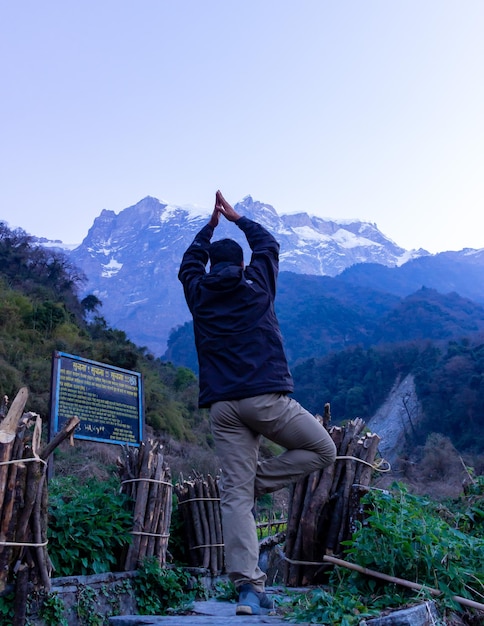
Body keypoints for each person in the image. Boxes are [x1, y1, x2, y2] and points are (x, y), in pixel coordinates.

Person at [178, 190, 336, 616]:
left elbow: (187, 267)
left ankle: (248, 589)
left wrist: (208, 228)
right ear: (243, 264)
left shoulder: (199, 294)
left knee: (235, 495)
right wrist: (236, 218)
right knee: (324, 449)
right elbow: (269, 245)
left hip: (223, 410)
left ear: (211, 266)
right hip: (265, 399)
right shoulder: (258, 283)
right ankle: (254, 482)